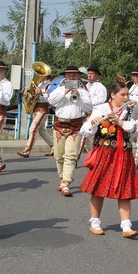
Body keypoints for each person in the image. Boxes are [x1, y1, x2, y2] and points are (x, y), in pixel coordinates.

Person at [79, 81, 138, 237]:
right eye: (123, 94)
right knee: (98, 188)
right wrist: (94, 124)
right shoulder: (101, 109)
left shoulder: (131, 110)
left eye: (127, 94)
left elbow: (136, 129)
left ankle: (126, 226)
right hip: (104, 153)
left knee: (124, 189)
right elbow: (85, 131)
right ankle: (95, 222)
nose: (126, 97)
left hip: (124, 154)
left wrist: (120, 122)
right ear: (113, 95)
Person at [48, 65, 93, 196]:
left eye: (74, 75)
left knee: (71, 155)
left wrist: (78, 96)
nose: (71, 77)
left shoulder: (83, 92)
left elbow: (88, 106)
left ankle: (66, 182)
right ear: (65, 76)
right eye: (69, 75)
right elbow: (51, 101)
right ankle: (63, 178)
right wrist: (65, 92)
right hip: (60, 124)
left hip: (76, 125)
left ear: (78, 77)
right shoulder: (59, 89)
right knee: (58, 155)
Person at [17, 70, 55, 158]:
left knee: (33, 129)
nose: (39, 75)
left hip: (43, 108)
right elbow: (32, 96)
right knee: (41, 130)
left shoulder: (50, 85)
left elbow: (51, 99)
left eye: (42, 74)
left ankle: (27, 150)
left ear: (47, 75)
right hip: (36, 108)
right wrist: (27, 93)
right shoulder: (38, 84)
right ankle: (54, 147)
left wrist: (41, 93)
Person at [77, 66, 108, 161]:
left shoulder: (100, 87)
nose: (89, 75)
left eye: (92, 74)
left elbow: (102, 100)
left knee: (84, 136)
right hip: (85, 113)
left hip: (94, 114)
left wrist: (88, 102)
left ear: (97, 75)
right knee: (88, 138)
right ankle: (95, 158)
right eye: (88, 74)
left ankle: (76, 159)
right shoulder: (87, 85)